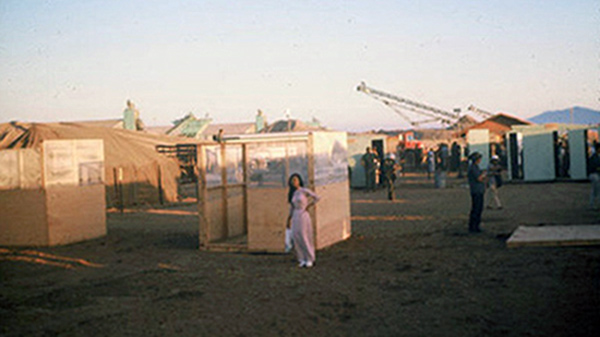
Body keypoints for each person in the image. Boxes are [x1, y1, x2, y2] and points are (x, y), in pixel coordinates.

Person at [286, 173, 320, 268]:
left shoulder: (304, 191)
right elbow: (291, 207)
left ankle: (309, 257)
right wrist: (289, 218)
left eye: (295, 180)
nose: (294, 182)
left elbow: (317, 197)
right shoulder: (292, 193)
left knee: (304, 235)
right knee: (296, 236)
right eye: (292, 181)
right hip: (296, 215)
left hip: (303, 214)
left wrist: (308, 206)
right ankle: (301, 258)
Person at [467, 152, 486, 233]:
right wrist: (484, 175)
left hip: (478, 190)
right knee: (477, 209)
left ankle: (475, 226)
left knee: (477, 208)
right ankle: (474, 226)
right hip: (476, 190)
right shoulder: (473, 168)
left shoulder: (474, 167)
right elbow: (479, 178)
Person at [588, 143, 600, 209]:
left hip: (595, 174)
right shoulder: (594, 157)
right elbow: (594, 167)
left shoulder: (594, 157)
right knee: (596, 190)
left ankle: (593, 203)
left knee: (595, 190)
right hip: (595, 174)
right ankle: (593, 204)